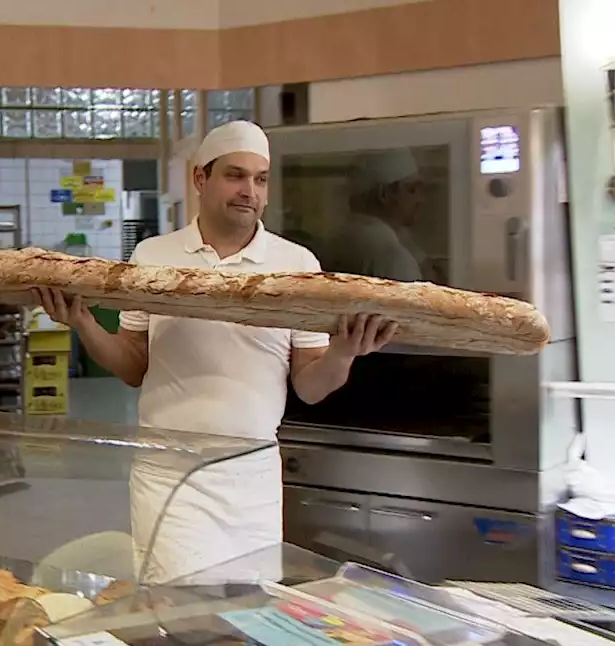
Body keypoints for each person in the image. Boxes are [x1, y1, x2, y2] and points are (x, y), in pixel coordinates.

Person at [34, 120, 398, 583]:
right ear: (200, 179)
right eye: (235, 175)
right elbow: (132, 363)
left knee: (251, 610)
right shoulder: (153, 257)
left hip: (252, 476)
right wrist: (82, 322)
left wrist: (344, 352)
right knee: (178, 613)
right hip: (169, 474)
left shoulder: (297, 266)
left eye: (260, 179)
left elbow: (309, 386)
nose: (250, 190)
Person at [324, 150, 430, 282]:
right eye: (412, 190)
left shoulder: (335, 240)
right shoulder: (393, 258)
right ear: (384, 195)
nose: (421, 200)